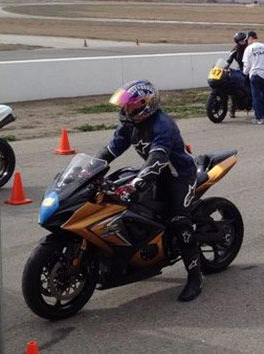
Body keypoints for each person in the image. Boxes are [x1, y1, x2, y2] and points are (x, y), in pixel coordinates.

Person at [94, 80, 202, 302]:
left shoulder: (163, 125)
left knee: (179, 221)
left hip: (178, 176)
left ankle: (195, 277)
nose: (126, 109)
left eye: (132, 105)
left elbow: (157, 158)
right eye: (125, 105)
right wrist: (90, 169)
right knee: (128, 209)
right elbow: (110, 149)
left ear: (147, 104)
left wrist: (136, 184)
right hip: (155, 174)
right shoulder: (129, 124)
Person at [242, 31, 264, 124]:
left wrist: (244, 72)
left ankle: (259, 118)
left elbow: (247, 65)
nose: (247, 41)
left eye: (247, 40)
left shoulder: (249, 49)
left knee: (256, 97)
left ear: (250, 38)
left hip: (255, 74)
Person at [226, 31, 250, 118]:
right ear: (237, 41)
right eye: (240, 41)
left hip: (251, 69)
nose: (243, 42)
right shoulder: (235, 50)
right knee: (234, 87)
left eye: (244, 40)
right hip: (241, 70)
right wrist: (224, 68)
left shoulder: (249, 48)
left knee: (251, 86)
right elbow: (228, 61)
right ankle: (232, 109)